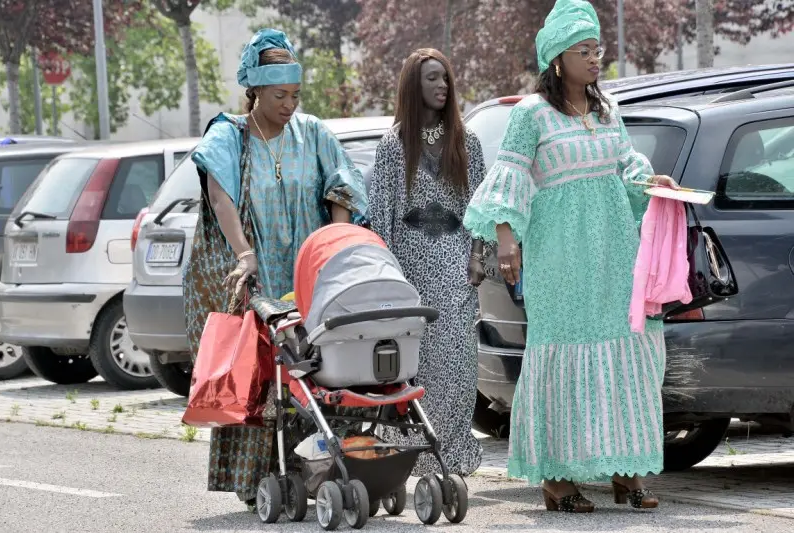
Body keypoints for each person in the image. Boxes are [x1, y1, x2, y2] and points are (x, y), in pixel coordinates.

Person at [463, 0, 678, 512]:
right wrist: (507, 236)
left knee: (628, 351)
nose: (595, 58)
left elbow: (625, 166)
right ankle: (557, 478)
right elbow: (510, 177)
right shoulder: (531, 114)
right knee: (561, 354)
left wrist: (652, 182)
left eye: (597, 48)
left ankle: (628, 470)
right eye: (584, 50)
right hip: (559, 255)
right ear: (557, 59)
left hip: (613, 251)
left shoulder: (607, 110)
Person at [182, 28, 368, 510]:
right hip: (260, 277)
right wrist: (244, 255)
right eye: (279, 95)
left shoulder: (313, 133)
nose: (289, 104)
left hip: (309, 279)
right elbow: (220, 196)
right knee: (261, 378)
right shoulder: (230, 135)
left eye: (295, 95)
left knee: (315, 374)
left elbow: (342, 187)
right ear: (256, 91)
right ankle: (261, 479)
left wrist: (334, 249)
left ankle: (318, 470)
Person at [368, 48, 486, 477]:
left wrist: (478, 258)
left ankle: (450, 457)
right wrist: (383, 277)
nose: (441, 86)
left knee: (457, 369)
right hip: (408, 277)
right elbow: (380, 218)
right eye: (432, 79)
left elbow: (481, 210)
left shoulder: (466, 142)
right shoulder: (393, 145)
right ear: (412, 86)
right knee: (414, 371)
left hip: (456, 275)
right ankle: (407, 459)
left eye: (445, 79)